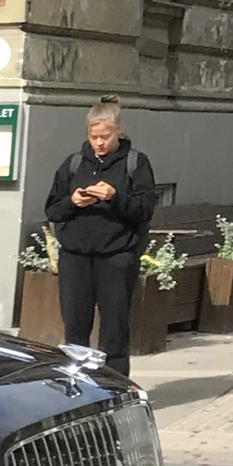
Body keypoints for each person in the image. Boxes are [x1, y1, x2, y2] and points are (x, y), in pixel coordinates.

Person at [42, 98, 159, 377]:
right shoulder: (73, 164)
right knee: (75, 327)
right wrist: (72, 201)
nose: (99, 143)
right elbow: (52, 209)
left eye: (105, 137)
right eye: (93, 137)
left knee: (114, 328)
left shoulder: (135, 163)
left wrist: (114, 197)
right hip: (76, 257)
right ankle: (77, 385)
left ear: (118, 130)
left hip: (117, 257)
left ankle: (114, 385)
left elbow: (145, 210)